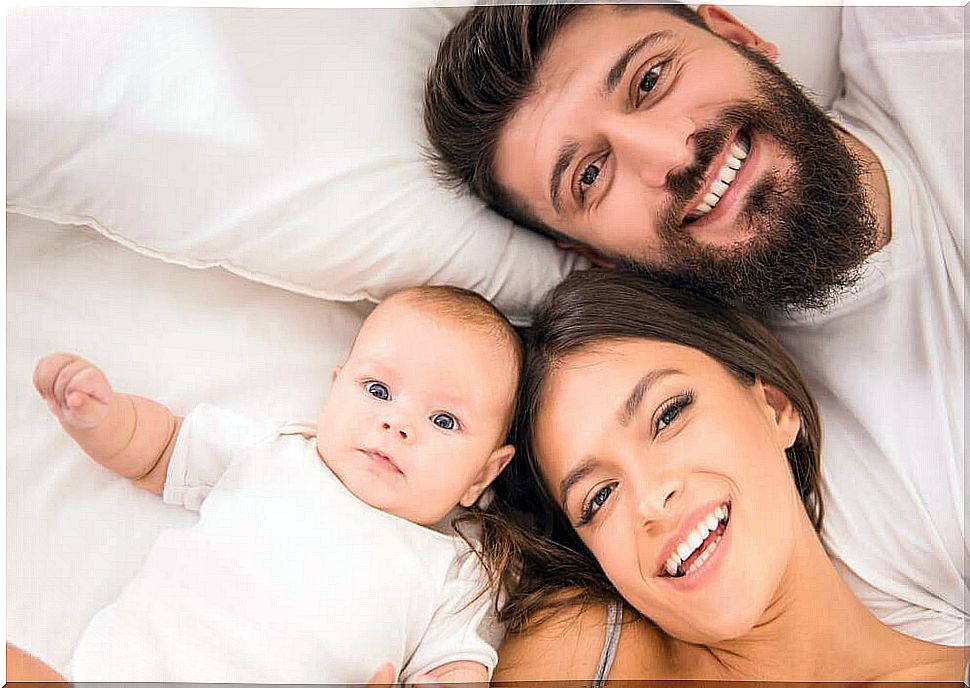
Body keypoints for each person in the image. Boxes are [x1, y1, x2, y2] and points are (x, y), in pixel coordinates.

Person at [424, 4, 966, 644]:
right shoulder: (831, 512)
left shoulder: (935, 33)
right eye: (591, 176)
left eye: (650, 80)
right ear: (600, 257)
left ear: (736, 34)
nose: (672, 154)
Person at [489, 268, 967, 682]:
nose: (650, 500)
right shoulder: (574, 653)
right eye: (598, 498)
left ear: (774, 405)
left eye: (668, 416)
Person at [29, 286, 521, 684]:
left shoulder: (455, 573)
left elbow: (455, 667)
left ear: (482, 474)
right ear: (335, 386)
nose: (397, 424)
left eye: (443, 419)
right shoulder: (270, 452)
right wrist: (104, 417)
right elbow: (157, 451)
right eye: (378, 391)